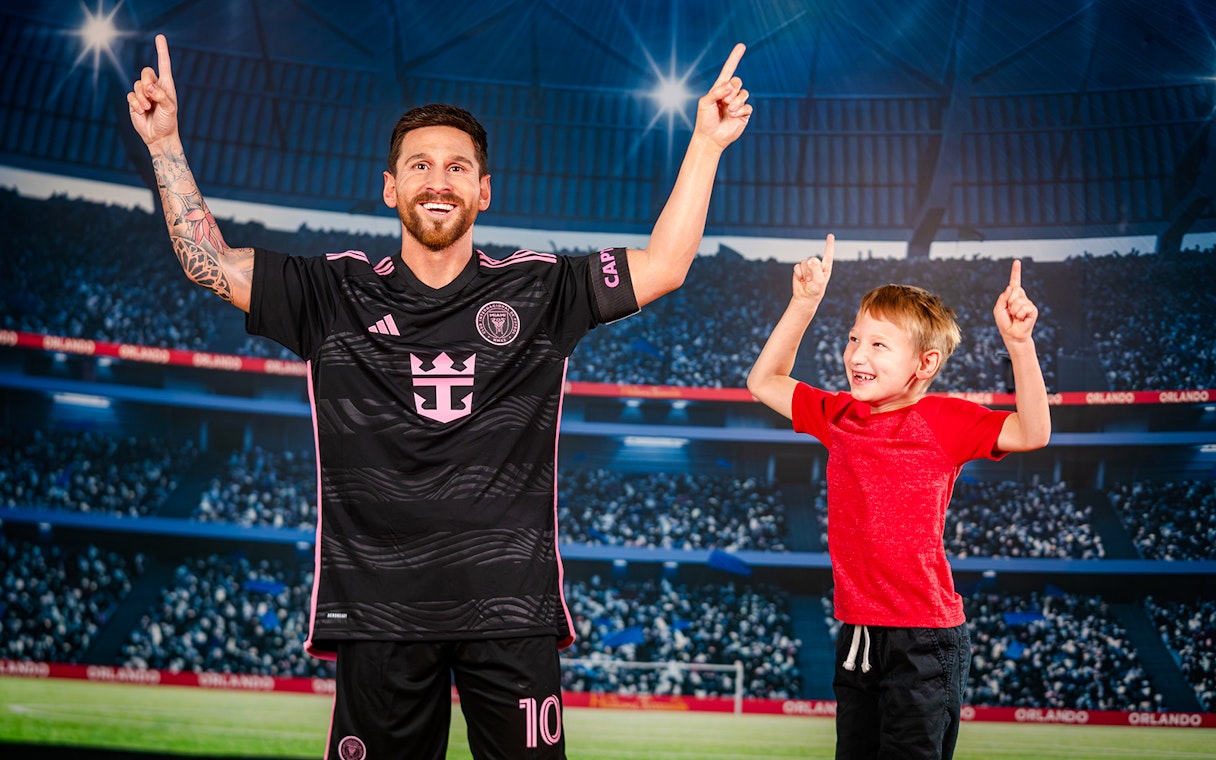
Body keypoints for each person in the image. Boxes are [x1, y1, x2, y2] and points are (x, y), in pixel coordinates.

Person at [127, 34, 751, 760]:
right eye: (420, 165)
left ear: (484, 191)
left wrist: (705, 143)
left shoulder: (539, 286)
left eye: (458, 167)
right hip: (378, 613)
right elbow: (211, 264)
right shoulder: (333, 289)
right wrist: (165, 144)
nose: (439, 180)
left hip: (511, 610)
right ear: (390, 186)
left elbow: (666, 265)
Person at [746, 234, 1051, 760]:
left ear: (925, 364)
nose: (856, 355)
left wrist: (1019, 346)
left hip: (923, 638)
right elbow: (763, 380)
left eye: (878, 345)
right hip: (860, 632)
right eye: (853, 339)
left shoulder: (945, 420)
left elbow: (1032, 432)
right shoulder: (838, 416)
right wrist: (803, 304)